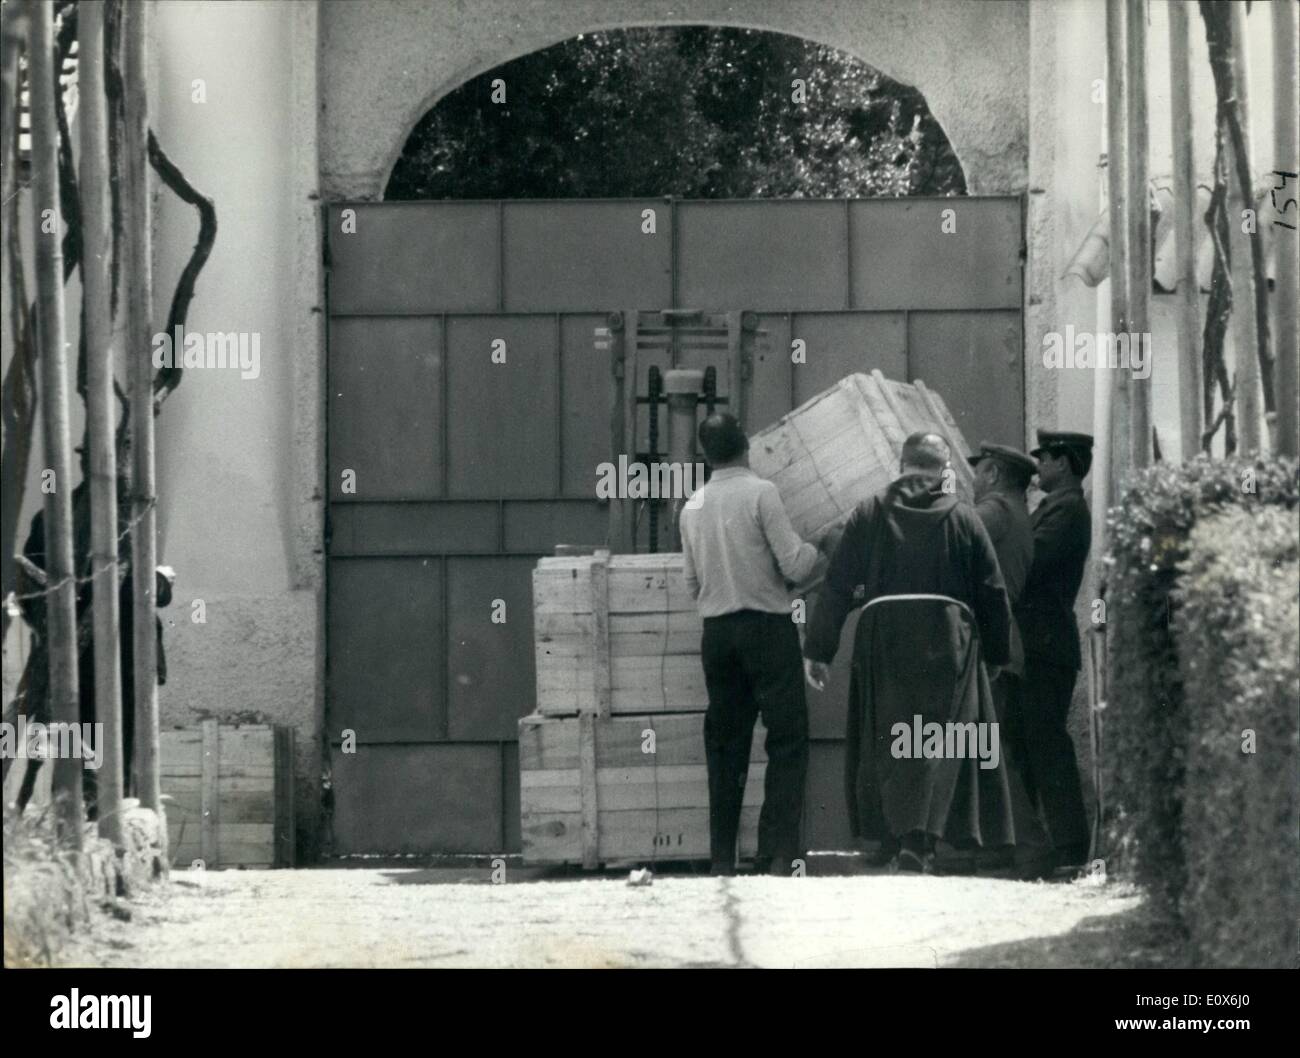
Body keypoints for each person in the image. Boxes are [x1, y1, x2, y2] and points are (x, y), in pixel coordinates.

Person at [803, 431, 1013, 874]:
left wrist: (818, 649)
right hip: (947, 638)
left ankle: (888, 837)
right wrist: (996, 653)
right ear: (943, 470)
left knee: (885, 737)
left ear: (901, 466)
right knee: (938, 741)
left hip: (885, 638)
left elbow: (839, 584)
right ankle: (924, 843)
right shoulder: (964, 516)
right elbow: (993, 591)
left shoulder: (868, 511)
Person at [679, 412, 823, 876]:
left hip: (717, 637)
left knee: (725, 744)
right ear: (747, 446)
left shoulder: (692, 507)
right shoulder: (763, 493)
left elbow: (691, 582)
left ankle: (723, 857)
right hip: (767, 630)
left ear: (705, 455)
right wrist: (828, 545)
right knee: (786, 739)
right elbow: (797, 565)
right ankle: (778, 853)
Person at [1010, 429, 1094, 877]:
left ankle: (1069, 846)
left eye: (1043, 459)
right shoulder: (1057, 507)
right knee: (1029, 742)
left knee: (1045, 743)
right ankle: (1035, 848)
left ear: (1063, 463)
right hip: (1039, 644)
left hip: (1045, 645)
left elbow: (1032, 560)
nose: (1037, 466)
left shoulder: (1066, 510)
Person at [967, 441, 1040, 870]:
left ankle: (1030, 846)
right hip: (1004, 640)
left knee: (989, 747)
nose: (972, 480)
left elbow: (949, 534)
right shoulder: (1016, 513)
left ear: (992, 474)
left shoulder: (994, 513)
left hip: (989, 641)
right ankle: (999, 847)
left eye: (977, 472)